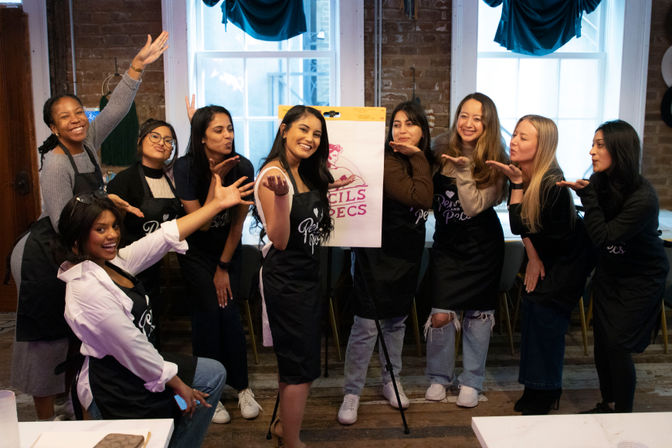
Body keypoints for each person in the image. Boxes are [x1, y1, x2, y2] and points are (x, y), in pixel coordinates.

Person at [10, 31, 169, 421]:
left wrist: (136, 66)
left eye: (78, 112)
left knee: (75, 334)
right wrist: (105, 201)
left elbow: (115, 108)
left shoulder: (90, 140)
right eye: (65, 117)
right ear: (53, 128)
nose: (76, 119)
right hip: (43, 253)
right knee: (45, 337)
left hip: (73, 248)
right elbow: (64, 217)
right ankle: (46, 423)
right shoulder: (57, 162)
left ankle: (74, 408)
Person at [56, 174, 253, 448]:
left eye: (114, 226)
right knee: (155, 429)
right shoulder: (84, 288)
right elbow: (132, 346)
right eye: (100, 229)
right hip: (116, 384)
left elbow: (164, 237)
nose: (112, 235)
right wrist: (177, 383)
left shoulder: (111, 263)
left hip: (139, 363)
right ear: (78, 236)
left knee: (213, 373)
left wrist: (216, 205)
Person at [558, 120, 669, 413]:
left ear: (620, 150)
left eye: (600, 145)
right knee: (603, 342)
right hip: (612, 271)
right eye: (593, 144)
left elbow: (604, 236)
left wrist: (587, 198)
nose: (591, 151)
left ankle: (624, 414)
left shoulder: (643, 197)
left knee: (619, 345)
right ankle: (608, 403)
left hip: (641, 277)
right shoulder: (600, 183)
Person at [487, 115, 592, 414]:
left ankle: (547, 390)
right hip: (547, 258)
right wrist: (532, 257)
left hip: (567, 263)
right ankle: (535, 386)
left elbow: (521, 222)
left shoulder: (551, 183)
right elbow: (523, 226)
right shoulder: (524, 175)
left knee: (546, 320)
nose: (514, 141)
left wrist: (516, 183)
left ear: (541, 144)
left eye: (523, 137)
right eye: (515, 134)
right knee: (532, 316)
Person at [337, 101, 433, 425]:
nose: (401, 130)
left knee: (396, 324)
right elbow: (420, 198)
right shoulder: (389, 162)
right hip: (376, 257)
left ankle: (391, 381)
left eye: (410, 124)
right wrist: (419, 157)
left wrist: (421, 159)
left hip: (407, 257)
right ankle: (352, 392)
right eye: (397, 124)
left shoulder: (422, 161)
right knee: (365, 326)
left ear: (423, 130)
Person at [254, 105, 337, 448]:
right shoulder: (273, 176)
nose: (310, 138)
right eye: (303, 130)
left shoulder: (303, 170)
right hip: (287, 282)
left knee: (297, 364)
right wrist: (283, 197)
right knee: (300, 368)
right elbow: (280, 238)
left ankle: (282, 429)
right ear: (284, 129)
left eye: (317, 134)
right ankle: (292, 442)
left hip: (307, 278)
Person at [173, 105, 261, 423]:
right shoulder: (184, 168)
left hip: (228, 252)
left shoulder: (244, 166)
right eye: (218, 130)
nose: (228, 136)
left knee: (230, 316)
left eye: (230, 128)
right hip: (195, 253)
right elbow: (204, 224)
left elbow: (236, 225)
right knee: (208, 316)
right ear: (201, 137)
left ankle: (242, 388)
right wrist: (215, 180)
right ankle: (211, 393)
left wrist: (223, 267)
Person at [423, 93, 507, 408]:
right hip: (447, 245)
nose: (468, 123)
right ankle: (438, 378)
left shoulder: (497, 160)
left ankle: (472, 380)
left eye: (477, 118)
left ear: (487, 125)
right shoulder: (439, 152)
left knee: (478, 315)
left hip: (482, 247)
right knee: (441, 314)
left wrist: (463, 169)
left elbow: (472, 206)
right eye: (464, 115)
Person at [107, 119, 183, 346]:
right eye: (155, 136)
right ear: (140, 141)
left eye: (168, 140)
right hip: (128, 268)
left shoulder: (171, 181)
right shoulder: (125, 181)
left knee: (151, 325)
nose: (162, 143)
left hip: (154, 269)